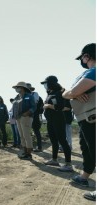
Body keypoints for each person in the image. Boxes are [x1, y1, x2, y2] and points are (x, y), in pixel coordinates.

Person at [62, 43, 96, 201]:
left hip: (92, 117)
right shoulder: (88, 73)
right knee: (87, 148)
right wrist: (74, 95)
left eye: (82, 57)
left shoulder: (94, 71)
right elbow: (66, 94)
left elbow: (71, 91)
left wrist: (73, 94)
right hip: (85, 118)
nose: (81, 60)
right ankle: (84, 175)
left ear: (87, 56)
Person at [41, 75, 73, 172]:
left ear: (50, 83)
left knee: (63, 141)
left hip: (58, 120)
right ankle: (54, 160)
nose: (44, 85)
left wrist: (47, 105)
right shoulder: (50, 92)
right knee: (53, 141)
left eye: (45, 83)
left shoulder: (60, 93)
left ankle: (68, 164)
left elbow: (59, 107)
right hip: (50, 120)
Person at [12, 82, 36, 160]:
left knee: (26, 135)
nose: (16, 89)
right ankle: (25, 151)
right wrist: (13, 118)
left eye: (17, 87)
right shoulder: (17, 97)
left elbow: (34, 107)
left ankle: (29, 154)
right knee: (22, 136)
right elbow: (14, 108)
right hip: (18, 118)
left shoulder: (29, 96)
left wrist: (28, 113)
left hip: (26, 117)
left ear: (22, 88)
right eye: (16, 88)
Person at [26, 83, 44, 152]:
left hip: (35, 116)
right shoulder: (25, 96)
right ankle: (29, 146)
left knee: (36, 131)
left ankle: (39, 147)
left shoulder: (35, 95)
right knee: (28, 132)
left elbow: (35, 103)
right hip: (28, 116)